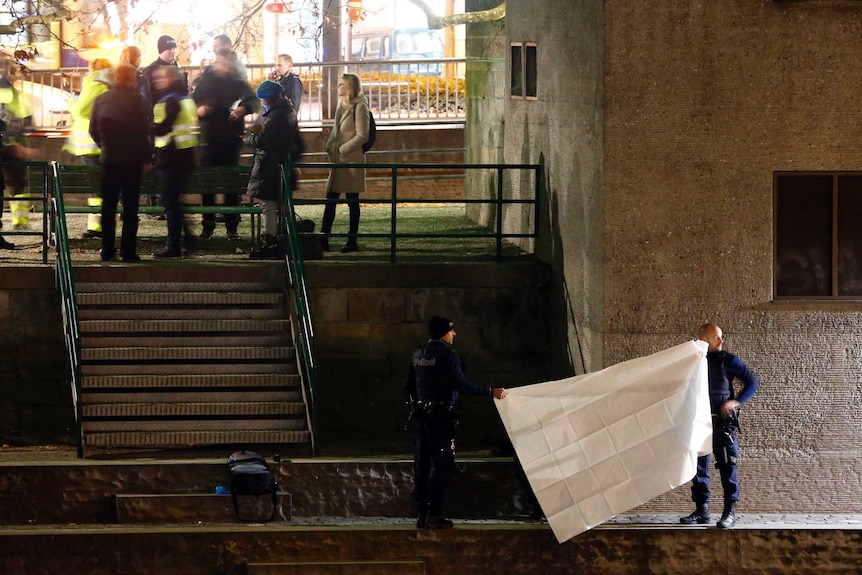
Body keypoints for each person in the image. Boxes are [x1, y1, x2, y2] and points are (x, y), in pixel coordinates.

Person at [403, 316, 507, 530]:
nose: (454, 334)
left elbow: (408, 387)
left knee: (422, 466)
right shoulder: (448, 356)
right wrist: (490, 392)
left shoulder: (417, 354)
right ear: (443, 332)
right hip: (440, 419)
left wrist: (418, 406)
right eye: (452, 331)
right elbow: (461, 384)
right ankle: (435, 515)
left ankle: (422, 514)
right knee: (442, 466)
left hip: (421, 418)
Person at [680, 323, 760, 529]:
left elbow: (752, 382)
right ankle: (702, 510)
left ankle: (729, 513)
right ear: (704, 339)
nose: (721, 341)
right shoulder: (693, 361)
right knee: (698, 468)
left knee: (727, 465)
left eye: (721, 337)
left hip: (722, 424)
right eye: (716, 337)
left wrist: (736, 401)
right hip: (698, 422)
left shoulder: (729, 360)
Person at [193, 48, 259, 240]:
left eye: (225, 63)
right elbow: (193, 102)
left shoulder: (237, 83)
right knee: (208, 185)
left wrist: (243, 109)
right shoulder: (207, 81)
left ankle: (232, 226)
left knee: (231, 186)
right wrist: (200, 109)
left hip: (231, 140)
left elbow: (255, 101)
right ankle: (208, 225)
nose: (221, 66)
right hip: (209, 141)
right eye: (219, 62)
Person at [88, 63, 152, 263]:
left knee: (109, 207)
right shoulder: (139, 100)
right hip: (132, 162)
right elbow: (145, 131)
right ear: (132, 79)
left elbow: (93, 130)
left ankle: (107, 249)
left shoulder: (101, 99)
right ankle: (128, 251)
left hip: (109, 160)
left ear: (115, 78)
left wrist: (105, 146)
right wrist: (146, 157)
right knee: (130, 208)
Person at [245, 80, 301, 260]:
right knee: (277, 205)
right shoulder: (287, 111)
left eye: (263, 100)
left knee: (268, 204)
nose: (261, 103)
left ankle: (270, 239)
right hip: (279, 163)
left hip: (270, 165)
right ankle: (277, 238)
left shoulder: (276, 116)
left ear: (269, 99)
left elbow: (261, 139)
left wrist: (248, 139)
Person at [150, 65, 198, 258]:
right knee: (174, 203)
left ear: (171, 78)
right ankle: (188, 240)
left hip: (172, 157)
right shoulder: (185, 98)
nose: (157, 81)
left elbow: (163, 129)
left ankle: (173, 246)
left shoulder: (171, 100)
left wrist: (145, 126)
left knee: (170, 203)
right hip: (184, 156)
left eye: (161, 78)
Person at [63, 58, 114, 238]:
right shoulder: (110, 84)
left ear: (93, 67)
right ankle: (99, 225)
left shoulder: (95, 82)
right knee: (102, 187)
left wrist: (71, 102)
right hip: (104, 144)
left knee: (96, 189)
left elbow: (80, 110)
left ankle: (97, 228)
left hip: (90, 145)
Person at [320, 73, 369, 253]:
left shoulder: (360, 107)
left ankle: (351, 239)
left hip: (350, 161)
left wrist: (343, 148)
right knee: (331, 199)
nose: (338, 87)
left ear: (349, 87)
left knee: (352, 200)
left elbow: (363, 135)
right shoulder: (342, 105)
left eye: (341, 84)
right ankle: (324, 237)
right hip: (338, 162)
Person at [142, 35, 182, 104]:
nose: (173, 51)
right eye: (169, 49)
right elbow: (146, 96)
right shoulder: (150, 70)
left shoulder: (177, 67)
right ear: (161, 51)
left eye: (174, 48)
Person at [118, 46, 153, 123]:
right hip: (136, 122)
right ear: (134, 58)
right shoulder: (141, 78)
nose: (140, 59)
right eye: (139, 56)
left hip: (117, 121)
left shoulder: (114, 76)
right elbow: (146, 103)